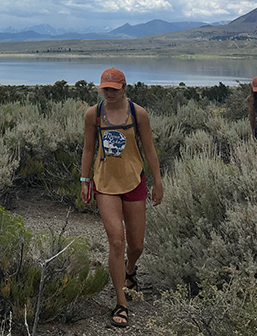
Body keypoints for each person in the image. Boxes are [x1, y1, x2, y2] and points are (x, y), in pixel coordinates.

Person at [80, 67, 163, 329]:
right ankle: (121, 302)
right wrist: (84, 180)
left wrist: (157, 180)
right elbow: (89, 148)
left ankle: (130, 270)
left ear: (124, 88)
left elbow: (148, 147)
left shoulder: (138, 114)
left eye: (115, 89)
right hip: (105, 183)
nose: (110, 93)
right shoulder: (93, 114)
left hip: (133, 181)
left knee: (136, 245)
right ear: (101, 88)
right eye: (106, 88)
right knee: (116, 241)